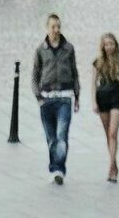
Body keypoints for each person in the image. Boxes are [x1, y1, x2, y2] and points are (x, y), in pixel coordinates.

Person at [32, 13, 79, 184]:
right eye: (53, 26)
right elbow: (35, 74)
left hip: (65, 97)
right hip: (46, 98)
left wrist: (77, 95)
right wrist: (38, 95)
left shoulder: (69, 48)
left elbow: (74, 72)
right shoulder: (40, 50)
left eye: (58, 26)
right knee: (51, 138)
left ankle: (59, 169)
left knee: (62, 135)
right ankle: (54, 166)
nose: (56, 30)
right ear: (47, 28)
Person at [90, 34, 119, 183]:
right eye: (106, 44)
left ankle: (111, 167)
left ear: (116, 45)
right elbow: (93, 84)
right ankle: (114, 164)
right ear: (102, 46)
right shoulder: (98, 62)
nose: (109, 47)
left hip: (116, 98)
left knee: (113, 133)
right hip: (102, 99)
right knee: (108, 134)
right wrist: (94, 102)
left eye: (111, 44)